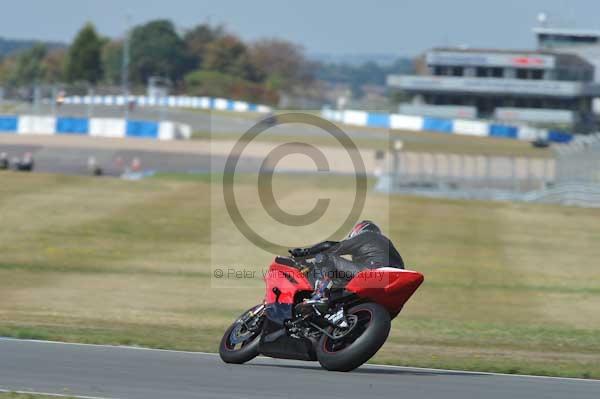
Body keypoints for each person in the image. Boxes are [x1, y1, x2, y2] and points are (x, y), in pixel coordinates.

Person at [290, 220, 404, 310]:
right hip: (392, 286)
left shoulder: (368, 235)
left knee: (326, 257)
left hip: (374, 273)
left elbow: (331, 247)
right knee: (340, 281)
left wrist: (304, 253)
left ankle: (319, 295)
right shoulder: (388, 246)